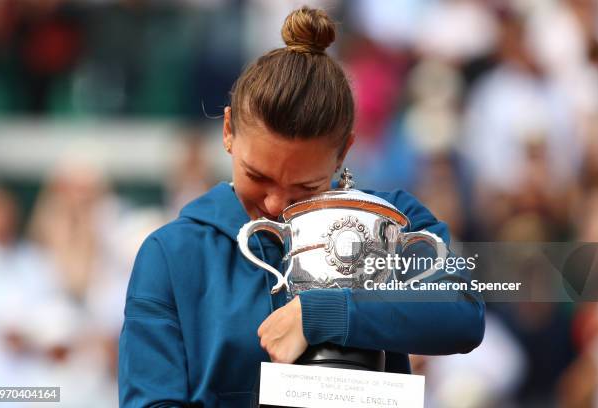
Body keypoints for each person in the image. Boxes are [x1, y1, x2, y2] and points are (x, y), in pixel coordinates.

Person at [118, 6, 485, 407]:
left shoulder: (392, 220)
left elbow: (462, 311)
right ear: (227, 132)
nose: (275, 204)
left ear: (344, 151)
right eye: (257, 176)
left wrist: (324, 314)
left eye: (305, 188)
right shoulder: (171, 254)